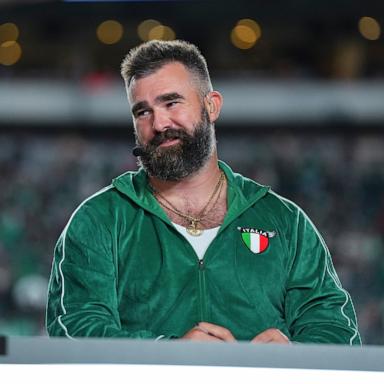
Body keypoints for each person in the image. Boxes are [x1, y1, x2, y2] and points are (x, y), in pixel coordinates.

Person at [46, 40, 361, 344]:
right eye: (142, 112)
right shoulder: (100, 219)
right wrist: (170, 354)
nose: (158, 123)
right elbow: (76, 328)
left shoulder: (284, 221)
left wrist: (294, 355)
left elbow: (335, 329)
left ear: (211, 106)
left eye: (171, 103)